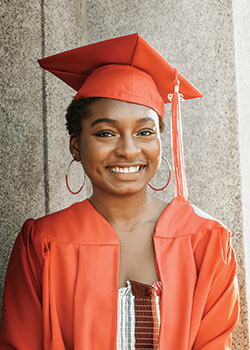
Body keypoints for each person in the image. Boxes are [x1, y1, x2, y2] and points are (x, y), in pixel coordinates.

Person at [0, 33, 239, 350]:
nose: (128, 150)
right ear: (76, 145)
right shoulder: (43, 242)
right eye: (106, 132)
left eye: (144, 132)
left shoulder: (206, 240)